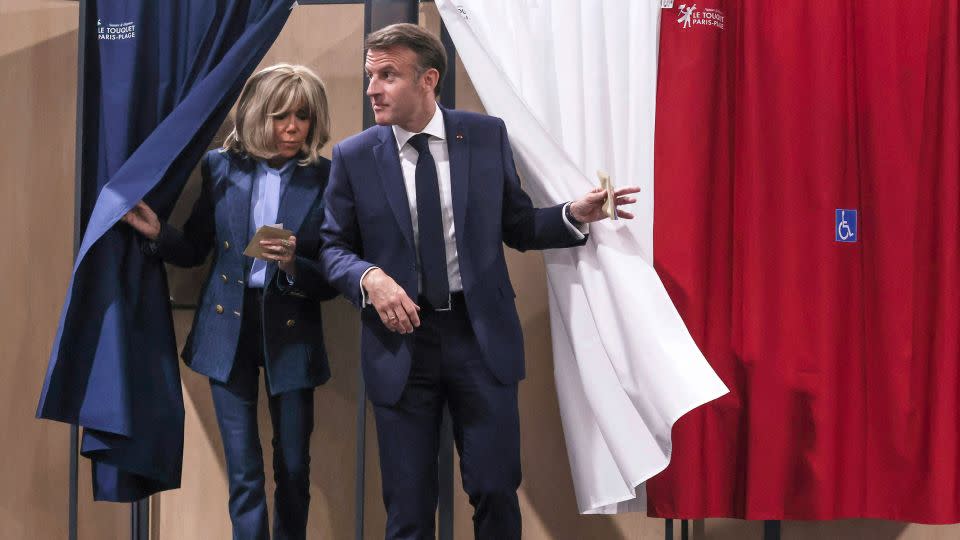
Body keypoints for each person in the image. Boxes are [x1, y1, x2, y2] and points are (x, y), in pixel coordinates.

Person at [318, 24, 640, 539]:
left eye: (387, 75)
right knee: (409, 507)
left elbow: (516, 225)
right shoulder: (354, 156)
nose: (372, 89)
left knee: (495, 488)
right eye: (369, 76)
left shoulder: (486, 136)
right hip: (400, 344)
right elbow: (332, 248)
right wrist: (370, 277)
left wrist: (571, 215)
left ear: (429, 80)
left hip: (479, 337)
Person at [122, 63, 337, 540]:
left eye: (302, 116)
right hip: (228, 331)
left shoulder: (325, 176)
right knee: (244, 473)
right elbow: (197, 248)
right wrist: (159, 234)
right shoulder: (221, 166)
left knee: (295, 468)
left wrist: (291, 264)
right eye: (281, 116)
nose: (292, 128)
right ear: (258, 115)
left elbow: (333, 274)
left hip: (292, 325)